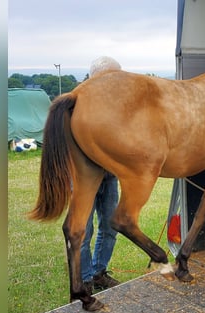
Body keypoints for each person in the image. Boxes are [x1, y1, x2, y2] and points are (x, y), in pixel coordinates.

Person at [81, 56, 122, 294]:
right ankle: (85, 280)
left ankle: (98, 272)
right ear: (99, 77)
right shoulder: (78, 102)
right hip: (85, 179)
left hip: (109, 175)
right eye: (115, 76)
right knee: (83, 231)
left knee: (110, 227)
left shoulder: (117, 105)